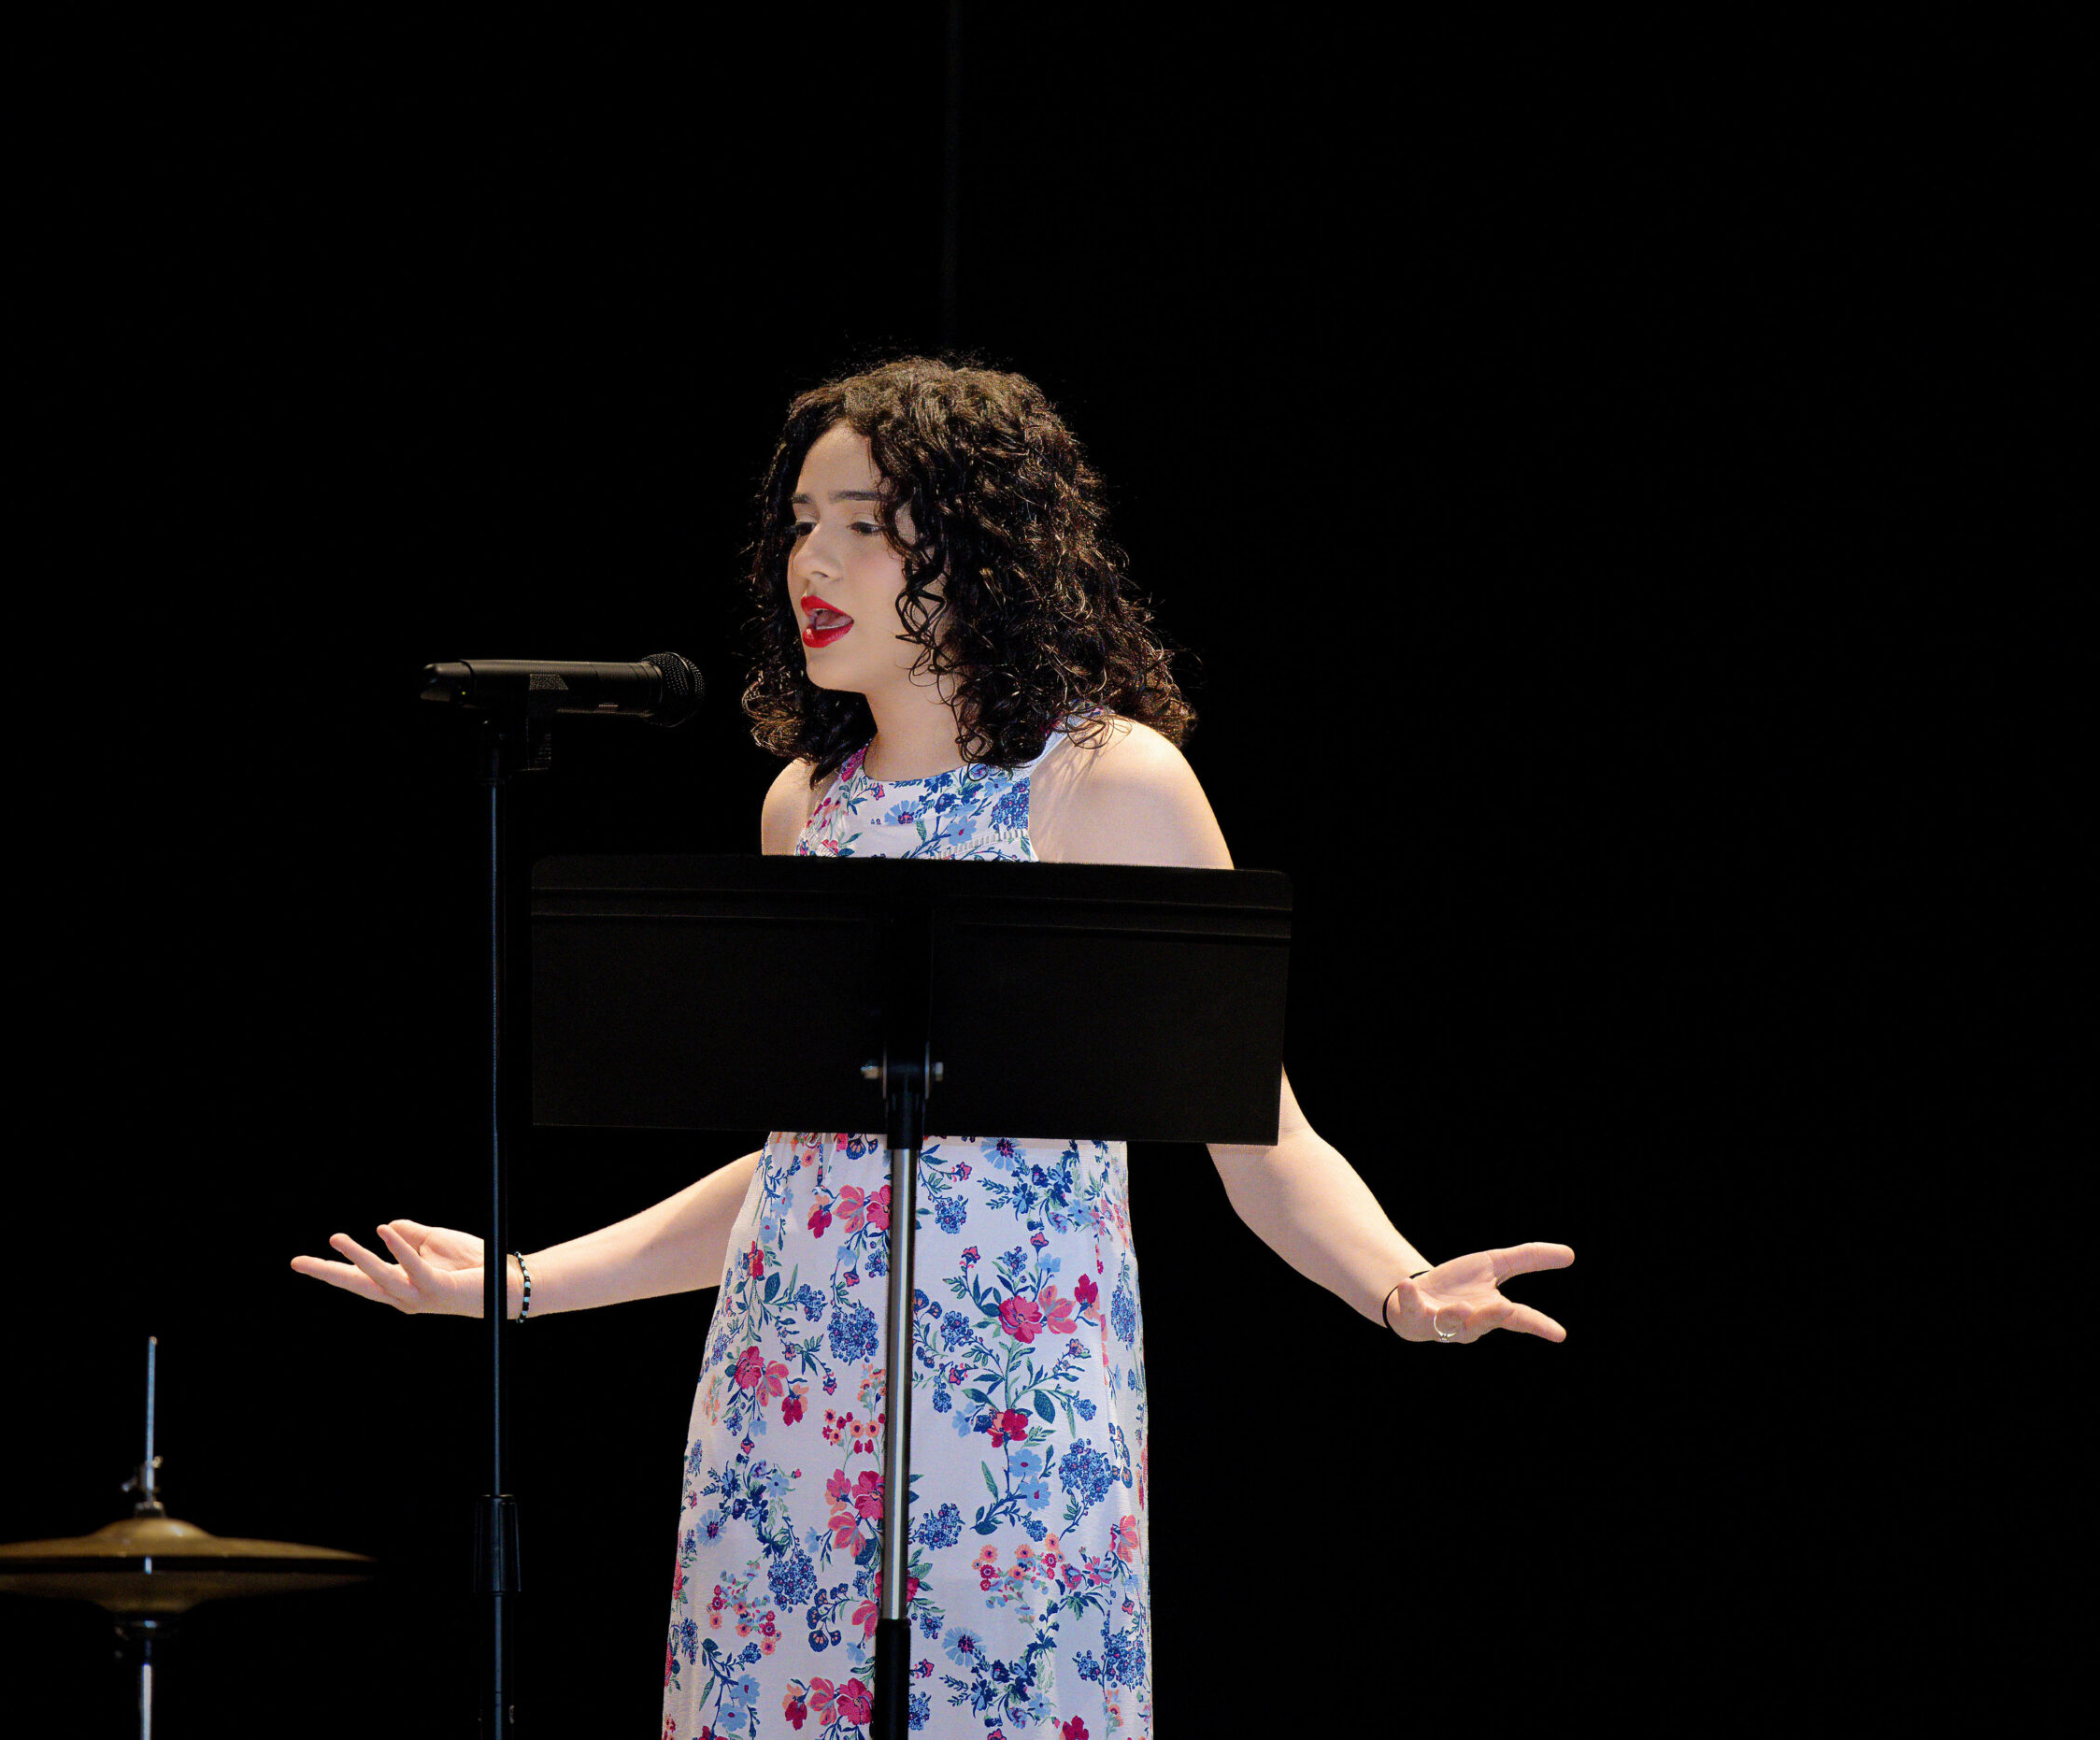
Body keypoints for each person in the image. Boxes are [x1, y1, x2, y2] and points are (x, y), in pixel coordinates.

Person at [293, 358, 1574, 1739]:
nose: (812, 560)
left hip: (1014, 1428)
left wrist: (1398, 1283)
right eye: (798, 523)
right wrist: (524, 1281)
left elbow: (1257, 1126)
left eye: (864, 522)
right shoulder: (805, 807)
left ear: (977, 543)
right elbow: (802, 1169)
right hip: (786, 1408)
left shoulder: (1104, 782)